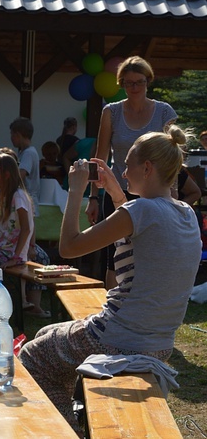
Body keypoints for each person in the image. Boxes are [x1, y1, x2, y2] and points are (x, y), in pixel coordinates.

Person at [19, 125, 201, 432]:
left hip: (118, 340)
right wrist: (117, 192)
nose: (124, 171)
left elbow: (69, 247)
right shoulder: (185, 212)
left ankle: (70, 431)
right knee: (48, 333)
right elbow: (140, 234)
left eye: (127, 164)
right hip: (158, 344)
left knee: (32, 356)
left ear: (147, 167)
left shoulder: (139, 210)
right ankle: (80, 418)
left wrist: (76, 190)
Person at [86, 56, 177, 288]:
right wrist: (93, 196)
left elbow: (174, 157)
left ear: (148, 82)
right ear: (121, 84)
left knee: (152, 252)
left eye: (139, 82)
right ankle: (111, 311)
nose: (134, 88)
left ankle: (147, 306)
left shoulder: (164, 111)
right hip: (118, 191)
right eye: (129, 83)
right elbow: (100, 157)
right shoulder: (112, 112)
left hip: (155, 194)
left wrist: (173, 195)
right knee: (114, 257)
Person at [0, 153, 47, 317]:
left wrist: (16, 257)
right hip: (3, 249)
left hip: (10, 253)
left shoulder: (18, 196)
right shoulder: (6, 195)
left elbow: (27, 228)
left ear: (6, 174)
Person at [10, 117, 40, 217]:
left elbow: (20, 175)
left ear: (17, 134)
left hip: (27, 200)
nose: (11, 138)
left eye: (12, 135)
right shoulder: (24, 152)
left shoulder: (28, 153)